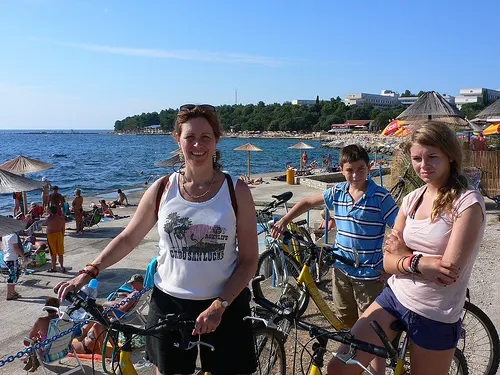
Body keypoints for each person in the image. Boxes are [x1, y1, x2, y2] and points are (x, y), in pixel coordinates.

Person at [55, 104, 259, 375]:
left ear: (216, 140)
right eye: (189, 137)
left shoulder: (236, 191)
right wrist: (89, 271)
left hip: (226, 304)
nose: (197, 144)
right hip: (169, 306)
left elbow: (248, 260)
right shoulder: (163, 188)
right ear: (178, 139)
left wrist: (219, 304)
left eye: (205, 137)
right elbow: (129, 237)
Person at [327, 121, 486, 375]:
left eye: (432, 156)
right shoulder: (411, 199)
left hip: (434, 311)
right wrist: (419, 263)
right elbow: (387, 262)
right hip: (394, 296)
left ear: (450, 156)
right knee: (339, 368)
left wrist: (404, 257)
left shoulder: (466, 202)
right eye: (417, 158)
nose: (424, 165)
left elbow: (447, 273)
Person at [272, 144, 398, 329]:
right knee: (345, 321)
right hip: (340, 270)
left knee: (371, 327)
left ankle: (370, 358)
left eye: (361, 169)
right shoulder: (337, 192)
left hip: (370, 275)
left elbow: (401, 230)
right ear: (341, 170)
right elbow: (307, 202)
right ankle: (349, 355)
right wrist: (284, 220)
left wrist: (392, 268)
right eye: (349, 170)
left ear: (369, 167)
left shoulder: (381, 197)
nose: (355, 175)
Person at [23, 297, 61, 372]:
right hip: (62, 349)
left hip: (47, 353)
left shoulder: (41, 321)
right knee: (39, 339)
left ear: (46, 308)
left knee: (32, 341)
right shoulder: (62, 319)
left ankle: (30, 357)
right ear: (58, 307)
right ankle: (29, 356)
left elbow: (28, 340)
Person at [2, 231, 29, 300]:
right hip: (12, 257)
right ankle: (9, 294)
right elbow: (16, 247)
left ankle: (12, 292)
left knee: (15, 274)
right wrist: (23, 256)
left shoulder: (5, 235)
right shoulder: (13, 235)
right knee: (13, 275)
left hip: (8, 257)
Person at [46, 205, 66, 273]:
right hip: (59, 234)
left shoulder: (49, 219)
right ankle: (62, 267)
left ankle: (54, 268)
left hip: (51, 236)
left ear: (50, 211)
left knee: (53, 253)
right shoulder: (61, 218)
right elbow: (63, 228)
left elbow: (43, 224)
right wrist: (62, 236)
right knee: (60, 253)